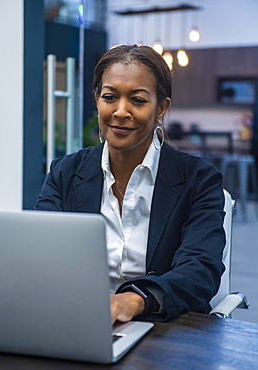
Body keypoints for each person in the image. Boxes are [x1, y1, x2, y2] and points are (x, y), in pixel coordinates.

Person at [35, 44, 225, 323]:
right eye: (110, 97)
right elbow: (41, 254)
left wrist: (133, 301)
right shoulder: (65, 172)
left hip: (167, 327)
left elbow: (201, 270)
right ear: (97, 100)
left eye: (137, 100)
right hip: (81, 320)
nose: (121, 111)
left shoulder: (199, 179)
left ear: (161, 108)